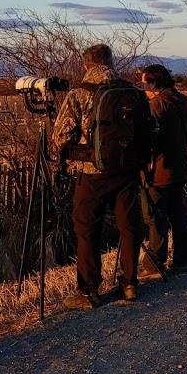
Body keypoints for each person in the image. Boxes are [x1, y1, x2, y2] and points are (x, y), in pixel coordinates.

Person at [52, 44, 151, 309]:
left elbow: (61, 137)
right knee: (129, 227)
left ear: (86, 66)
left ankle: (89, 291)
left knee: (87, 230)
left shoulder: (80, 93)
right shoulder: (133, 92)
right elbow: (150, 128)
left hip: (93, 173)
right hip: (128, 171)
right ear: (111, 62)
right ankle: (129, 284)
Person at [138, 64, 187, 279]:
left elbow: (148, 139)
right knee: (178, 214)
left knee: (155, 215)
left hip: (158, 169)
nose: (143, 88)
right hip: (179, 166)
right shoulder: (183, 101)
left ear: (154, 83)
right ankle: (182, 259)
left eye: (145, 83)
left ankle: (154, 262)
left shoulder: (156, 105)